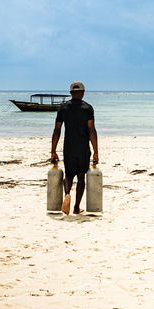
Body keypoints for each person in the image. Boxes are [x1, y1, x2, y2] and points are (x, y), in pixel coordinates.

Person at [51, 81, 99, 215]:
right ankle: (77, 207)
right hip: (83, 147)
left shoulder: (63, 108)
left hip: (69, 147)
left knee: (69, 175)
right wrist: (96, 152)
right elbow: (92, 130)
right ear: (83, 93)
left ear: (71, 93)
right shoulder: (88, 108)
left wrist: (53, 151)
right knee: (81, 177)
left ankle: (67, 194)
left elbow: (57, 130)